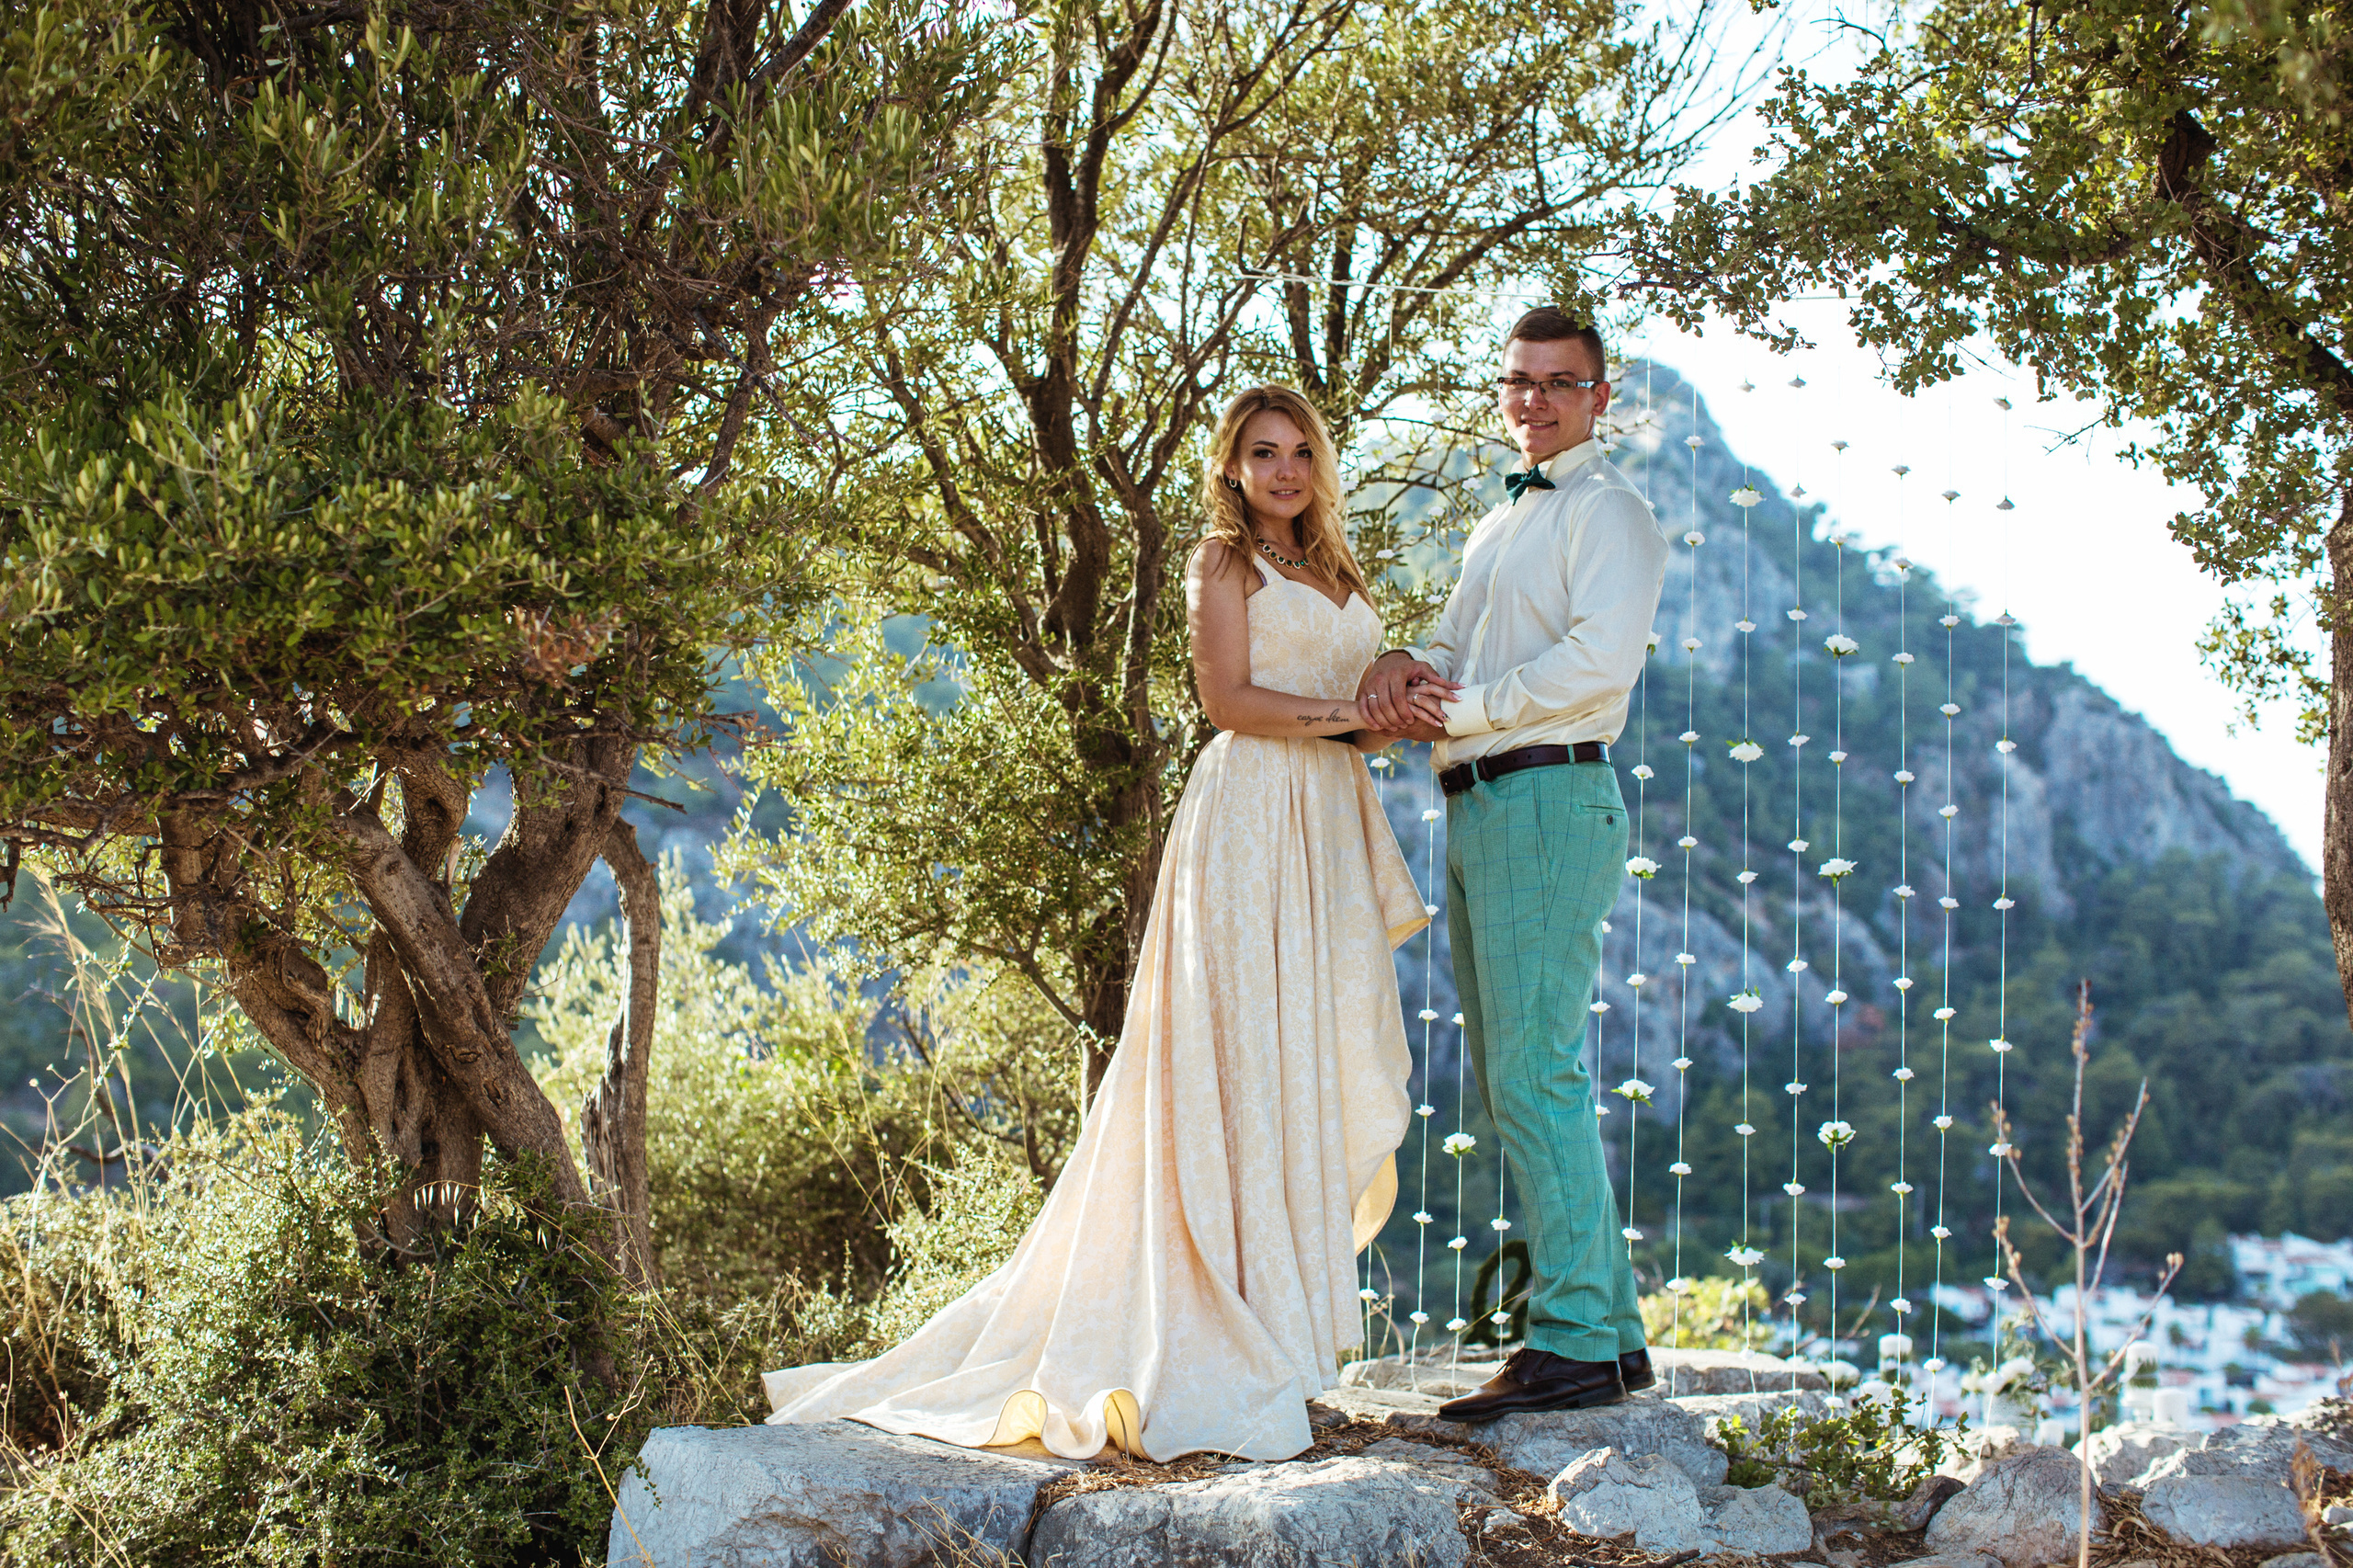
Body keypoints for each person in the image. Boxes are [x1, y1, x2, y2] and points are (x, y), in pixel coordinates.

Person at [762, 386, 1442, 1461]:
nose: (1283, 470)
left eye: (1299, 451)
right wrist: (1354, 711)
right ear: (1229, 466)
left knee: (1298, 1056)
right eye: (1261, 453)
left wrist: (1387, 698)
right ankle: (1218, 1320)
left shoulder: (1336, 569)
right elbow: (1226, 699)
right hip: (1250, 817)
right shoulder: (1223, 563)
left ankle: (1294, 1333)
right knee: (1235, 1054)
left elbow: (1345, 714)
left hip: (1319, 823)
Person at [1355, 307, 1671, 1420]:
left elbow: (1599, 659)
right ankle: (1613, 1338)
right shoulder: (1498, 525)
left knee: (1535, 1071)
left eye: (1559, 382)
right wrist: (1406, 671)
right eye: (1519, 381)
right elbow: (1449, 646)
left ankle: (1574, 1338)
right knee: (1512, 1076)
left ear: (1598, 396)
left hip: (1546, 791)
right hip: (1483, 804)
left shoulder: (1609, 511)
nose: (1534, 399)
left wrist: (1467, 707)